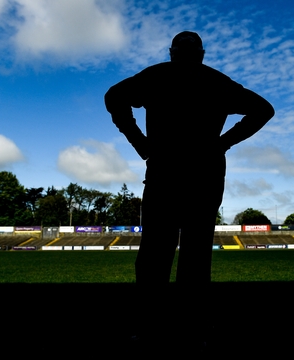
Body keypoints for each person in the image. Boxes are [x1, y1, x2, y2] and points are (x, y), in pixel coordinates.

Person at [105, 31, 274, 347]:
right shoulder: (217, 82)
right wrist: (223, 143)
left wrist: (139, 142)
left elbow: (113, 97)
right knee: (196, 255)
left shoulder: (155, 76)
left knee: (155, 253)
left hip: (165, 174)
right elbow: (264, 109)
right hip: (204, 176)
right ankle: (193, 327)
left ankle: (150, 327)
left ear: (172, 52)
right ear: (202, 54)